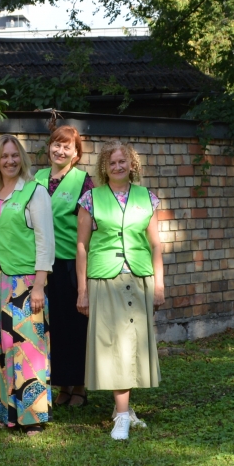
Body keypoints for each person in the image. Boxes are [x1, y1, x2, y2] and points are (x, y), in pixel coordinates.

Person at [76, 140, 165, 441]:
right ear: (104, 166)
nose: (117, 166)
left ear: (132, 164)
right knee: (114, 344)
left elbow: (155, 245)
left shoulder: (147, 198)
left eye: (122, 161)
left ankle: (122, 410)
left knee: (132, 344)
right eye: (111, 162)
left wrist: (159, 284)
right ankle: (123, 416)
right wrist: (82, 290)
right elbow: (81, 246)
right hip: (104, 279)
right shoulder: (90, 198)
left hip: (139, 277)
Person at [0, 134, 55, 433]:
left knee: (25, 347)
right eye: (4, 156)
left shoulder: (35, 192)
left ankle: (31, 416)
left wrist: (39, 285)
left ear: (22, 158)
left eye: (14, 155)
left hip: (23, 280)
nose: (9, 161)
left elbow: (46, 241)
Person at [35, 125, 93, 407]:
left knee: (75, 326)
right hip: (41, 264)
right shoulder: (36, 179)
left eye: (66, 146)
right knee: (52, 326)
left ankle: (79, 386)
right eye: (56, 145)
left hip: (70, 262)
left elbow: (89, 226)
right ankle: (62, 385)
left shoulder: (83, 181)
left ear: (76, 153)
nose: (59, 150)